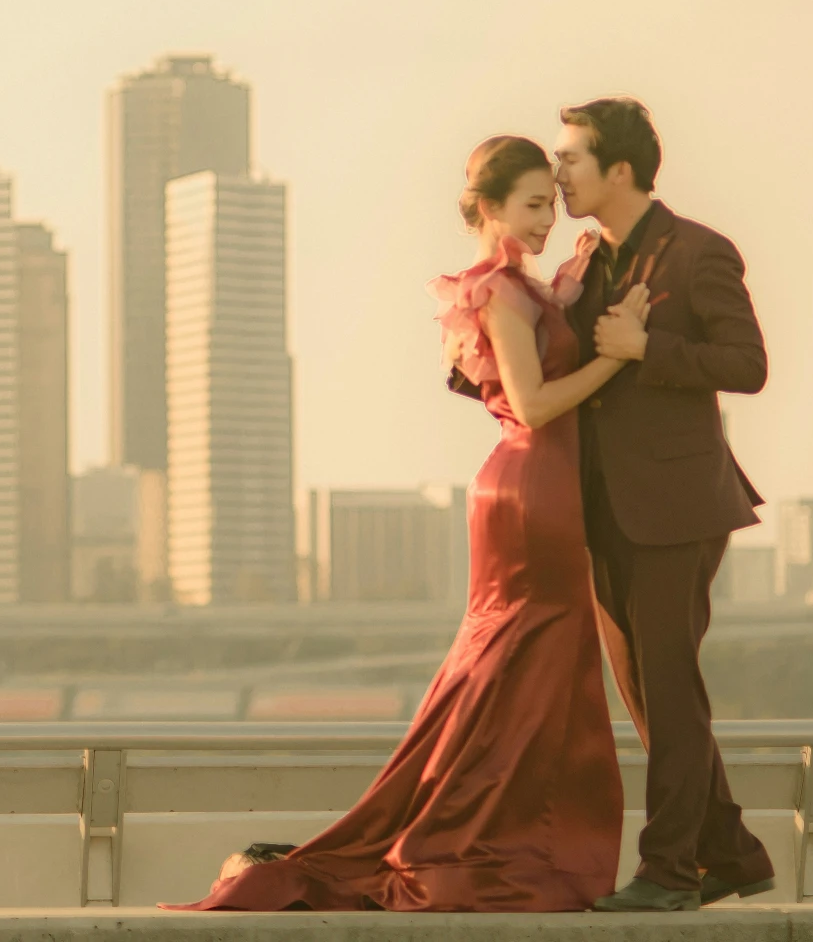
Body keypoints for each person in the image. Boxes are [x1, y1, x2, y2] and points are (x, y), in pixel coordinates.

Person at [164, 135, 643, 912]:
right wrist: (622, 356)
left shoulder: (506, 289)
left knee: (520, 669)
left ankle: (506, 841)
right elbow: (533, 405)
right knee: (528, 664)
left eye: (550, 206)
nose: (544, 220)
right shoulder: (501, 292)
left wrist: (581, 275)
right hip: (534, 487)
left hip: (525, 487)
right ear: (486, 208)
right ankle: (481, 846)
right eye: (529, 206)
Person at [554, 97, 777, 912]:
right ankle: (733, 852)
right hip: (602, 507)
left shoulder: (699, 253)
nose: (557, 173)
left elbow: (747, 364)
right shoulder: (582, 257)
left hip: (679, 505)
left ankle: (668, 871)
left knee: (670, 685)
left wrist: (650, 348)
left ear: (620, 168)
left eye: (571, 158)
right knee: (647, 692)